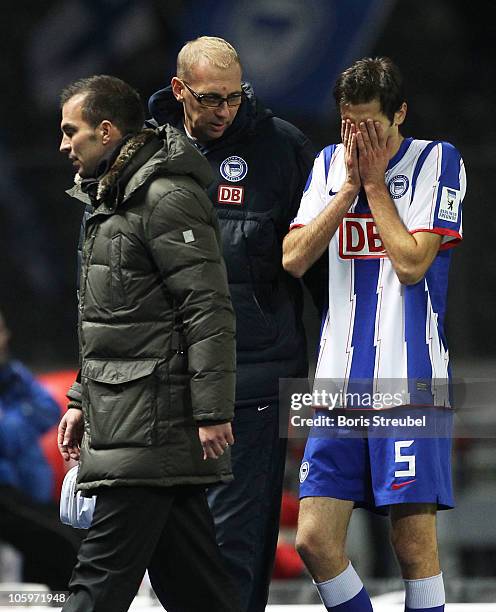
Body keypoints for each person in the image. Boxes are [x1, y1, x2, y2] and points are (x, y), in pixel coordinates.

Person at [283, 57, 466, 612]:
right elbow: (292, 258)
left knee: (412, 546)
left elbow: (412, 263)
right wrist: (345, 193)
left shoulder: (438, 161)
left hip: (409, 381)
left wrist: (376, 187)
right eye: (348, 125)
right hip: (337, 383)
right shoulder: (326, 165)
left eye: (371, 126)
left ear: (400, 114)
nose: (357, 138)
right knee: (314, 541)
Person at [57, 74, 240, 612]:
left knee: (96, 585)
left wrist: (211, 411)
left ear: (107, 131)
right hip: (131, 416)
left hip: (151, 424)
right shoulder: (111, 201)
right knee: (199, 591)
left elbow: (207, 307)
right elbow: (120, 324)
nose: (64, 145)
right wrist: (79, 399)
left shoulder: (164, 198)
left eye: (73, 131)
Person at [148, 36, 319, 612]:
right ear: (179, 91)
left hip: (254, 381)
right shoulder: (147, 150)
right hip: (165, 383)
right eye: (210, 98)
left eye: (234, 96)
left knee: (235, 546)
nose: (225, 110)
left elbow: (317, 271)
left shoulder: (282, 148)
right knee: (168, 546)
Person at [0, 309, 82, 590]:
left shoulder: (11, 374)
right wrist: (21, 419)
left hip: (30, 493)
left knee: (66, 540)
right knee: (64, 547)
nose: (3, 338)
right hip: (7, 495)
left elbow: (48, 408)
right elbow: (8, 436)